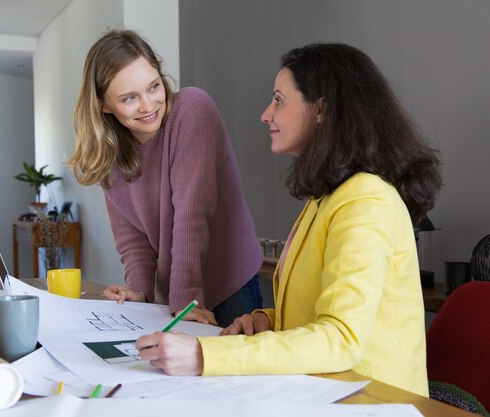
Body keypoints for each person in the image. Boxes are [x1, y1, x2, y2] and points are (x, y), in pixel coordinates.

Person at [135, 43, 442, 397]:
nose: (266, 114)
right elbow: (320, 313)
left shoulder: (366, 200)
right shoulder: (328, 197)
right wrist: (269, 319)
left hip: (374, 402)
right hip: (327, 393)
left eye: (279, 99)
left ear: (321, 110)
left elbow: (341, 338)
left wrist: (203, 354)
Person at [69, 29, 263, 327]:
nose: (148, 106)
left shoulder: (192, 109)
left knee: (236, 371)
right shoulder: (109, 158)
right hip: (177, 293)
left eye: (154, 87)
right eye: (129, 98)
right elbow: (133, 244)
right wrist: (141, 295)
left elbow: (192, 214)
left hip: (228, 280)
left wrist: (186, 302)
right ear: (103, 105)